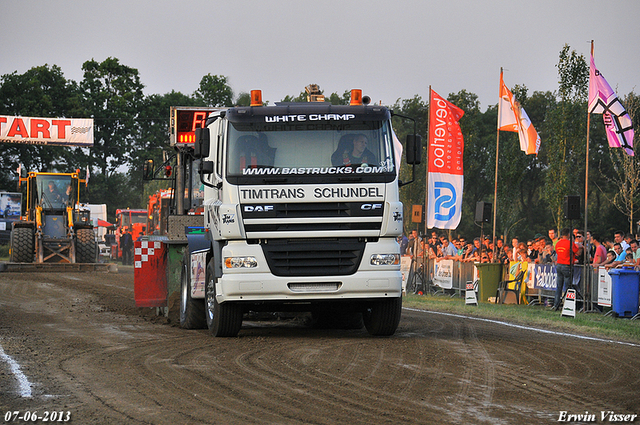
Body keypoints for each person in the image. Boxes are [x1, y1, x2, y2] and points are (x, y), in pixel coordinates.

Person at [552, 228, 579, 311]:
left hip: (559, 265)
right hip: (567, 265)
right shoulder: (570, 243)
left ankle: (556, 304)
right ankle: (566, 305)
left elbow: (557, 251)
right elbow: (577, 251)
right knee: (567, 286)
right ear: (568, 235)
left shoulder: (558, 243)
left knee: (559, 286)